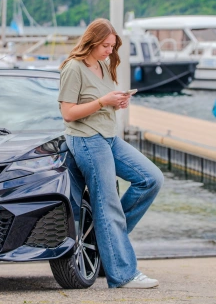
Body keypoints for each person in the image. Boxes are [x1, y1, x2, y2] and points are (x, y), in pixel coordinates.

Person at [58, 18, 164, 289]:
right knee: (108, 205)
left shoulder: (104, 66)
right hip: (86, 140)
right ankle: (123, 274)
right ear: (91, 41)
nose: (109, 50)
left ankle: (107, 245)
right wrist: (103, 101)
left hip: (108, 137)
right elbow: (68, 113)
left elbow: (99, 103)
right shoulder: (73, 68)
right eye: (105, 45)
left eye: (112, 46)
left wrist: (116, 103)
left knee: (151, 179)